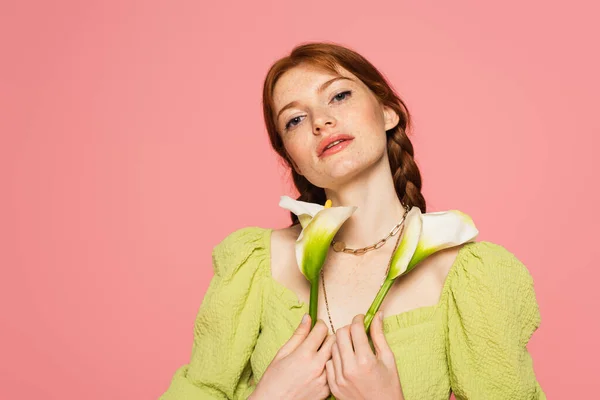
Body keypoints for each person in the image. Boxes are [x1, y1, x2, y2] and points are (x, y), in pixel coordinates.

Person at [160, 42, 545, 400]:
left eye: (339, 96)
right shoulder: (254, 266)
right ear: (292, 159)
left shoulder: (465, 278)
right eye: (294, 120)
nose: (320, 121)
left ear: (388, 112)